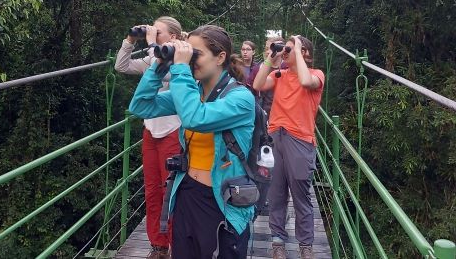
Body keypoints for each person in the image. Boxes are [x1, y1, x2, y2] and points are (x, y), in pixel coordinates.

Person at [129, 25, 255, 259]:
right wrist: (159, 66)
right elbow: (140, 106)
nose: (190, 60)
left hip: (222, 201)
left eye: (196, 54)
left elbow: (194, 118)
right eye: (188, 53)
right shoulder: (192, 91)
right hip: (186, 192)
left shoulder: (241, 98)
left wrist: (179, 69)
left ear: (220, 57)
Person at [114, 16, 183, 259]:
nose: (153, 35)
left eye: (159, 33)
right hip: (151, 133)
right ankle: (159, 245)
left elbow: (165, 75)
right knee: (152, 191)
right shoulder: (151, 58)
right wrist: (131, 39)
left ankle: (177, 245)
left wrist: (153, 45)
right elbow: (121, 66)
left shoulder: (182, 63)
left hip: (172, 132)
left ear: (174, 38)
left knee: (171, 192)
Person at [252, 35, 324, 259]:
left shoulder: (316, 75)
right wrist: (270, 59)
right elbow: (256, 85)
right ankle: (277, 241)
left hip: (300, 139)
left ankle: (305, 245)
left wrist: (298, 47)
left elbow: (304, 82)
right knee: (276, 193)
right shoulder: (279, 74)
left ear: (304, 53)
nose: (285, 52)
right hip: (276, 136)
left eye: (290, 49)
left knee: (301, 195)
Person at [246, 37, 288, 118]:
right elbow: (250, 90)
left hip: (282, 114)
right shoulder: (258, 68)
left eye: (272, 48)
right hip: (262, 114)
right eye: (266, 48)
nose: (268, 52)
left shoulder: (287, 68)